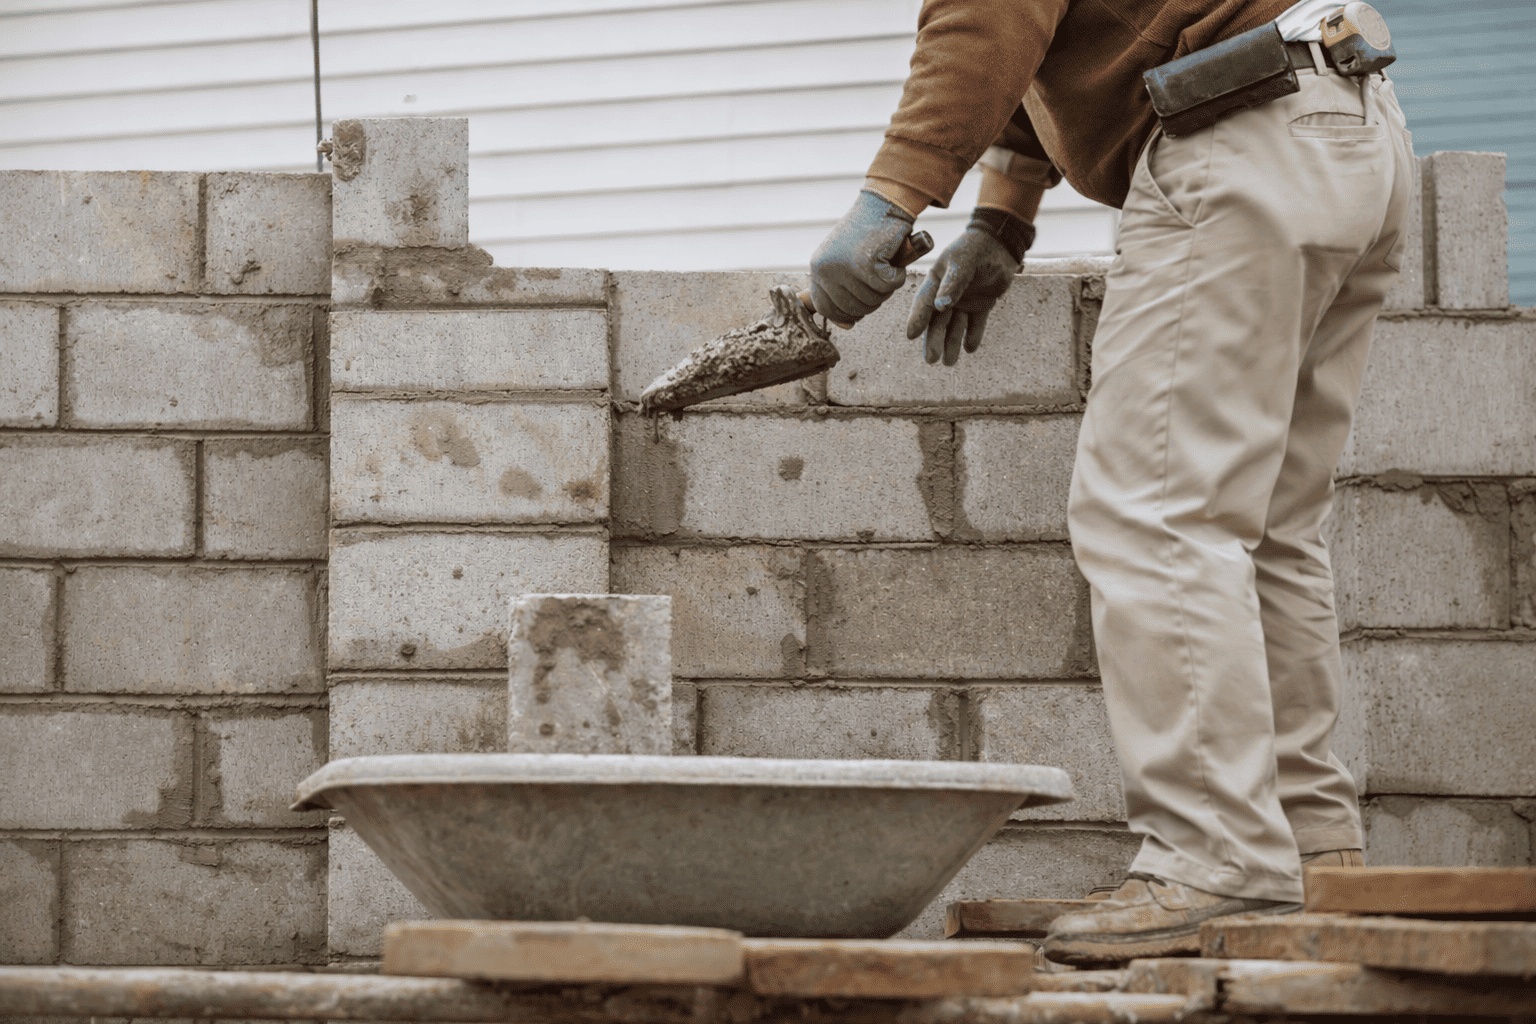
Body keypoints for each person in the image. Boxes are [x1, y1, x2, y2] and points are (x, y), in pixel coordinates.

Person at [807, 0, 1414, 965]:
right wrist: (1004, 215)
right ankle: (1306, 850)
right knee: (1265, 528)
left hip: (1239, 134)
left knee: (1157, 515)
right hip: (1338, 122)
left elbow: (991, 20)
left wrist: (892, 197)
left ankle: (1216, 855)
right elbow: (1053, 39)